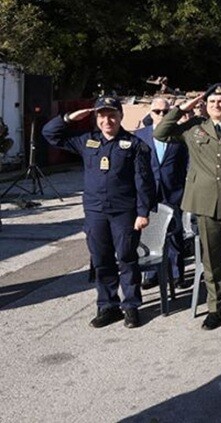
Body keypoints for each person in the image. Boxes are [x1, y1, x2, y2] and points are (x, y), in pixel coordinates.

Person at [155, 84, 221, 330]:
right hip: (205, 203)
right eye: (212, 101)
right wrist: (183, 108)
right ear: (205, 104)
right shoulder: (194, 128)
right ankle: (215, 308)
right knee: (211, 259)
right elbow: (161, 132)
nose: (217, 105)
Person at [42, 96, 155, 328]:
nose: (107, 120)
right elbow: (50, 134)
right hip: (96, 212)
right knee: (101, 260)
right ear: (96, 118)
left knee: (127, 258)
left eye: (112, 115)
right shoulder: (87, 141)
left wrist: (143, 212)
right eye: (102, 116)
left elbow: (144, 181)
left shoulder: (135, 145)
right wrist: (69, 117)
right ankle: (108, 306)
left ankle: (131, 307)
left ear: (121, 116)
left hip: (124, 212)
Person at [135, 96, 190, 289]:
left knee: (175, 234)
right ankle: (151, 274)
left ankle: (176, 274)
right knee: (150, 232)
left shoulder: (180, 135)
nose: (161, 114)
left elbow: (187, 163)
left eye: (165, 112)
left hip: (173, 191)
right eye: (157, 111)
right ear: (150, 113)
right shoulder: (140, 136)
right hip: (148, 191)